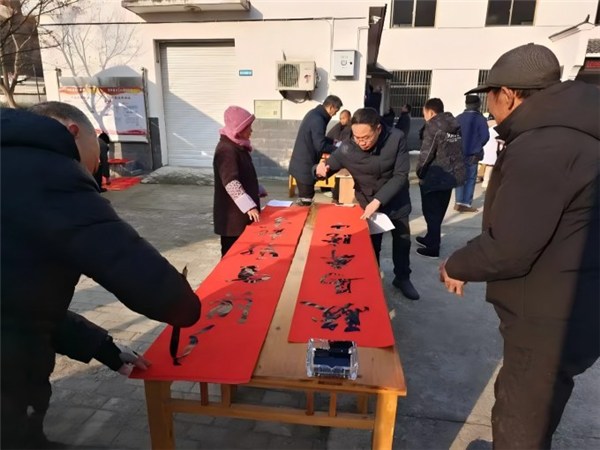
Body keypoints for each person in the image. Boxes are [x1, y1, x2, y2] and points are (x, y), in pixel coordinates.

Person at [1, 102, 201, 449]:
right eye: (93, 162)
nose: (93, 172)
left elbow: (18, 300)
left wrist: (100, 346)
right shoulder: (50, 173)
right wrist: (184, 305)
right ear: (72, 132)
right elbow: (135, 269)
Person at [439, 43, 599, 449]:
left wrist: (456, 264)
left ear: (508, 94)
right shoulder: (575, 131)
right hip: (572, 301)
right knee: (534, 409)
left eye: (490, 96)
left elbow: (510, 247)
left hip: (550, 315)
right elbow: (530, 225)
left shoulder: (545, 146)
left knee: (520, 421)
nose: (490, 108)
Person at [316, 107, 419, 301]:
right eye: (357, 137)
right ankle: (371, 279)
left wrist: (379, 200)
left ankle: (402, 278)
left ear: (378, 129)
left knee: (402, 241)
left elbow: (400, 175)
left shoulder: (396, 138)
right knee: (371, 245)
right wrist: (320, 169)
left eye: (366, 137)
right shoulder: (348, 146)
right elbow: (330, 166)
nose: (361, 142)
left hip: (395, 200)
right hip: (367, 202)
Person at [415, 98, 465, 258]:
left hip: (434, 176)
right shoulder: (454, 125)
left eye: (424, 113)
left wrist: (419, 171)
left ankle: (433, 248)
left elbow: (427, 153)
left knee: (431, 213)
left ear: (430, 112)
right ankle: (430, 238)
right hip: (450, 175)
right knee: (439, 211)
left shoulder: (433, 126)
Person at [213, 105, 266, 257]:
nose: (251, 131)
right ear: (239, 129)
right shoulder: (226, 150)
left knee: (244, 256)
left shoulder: (238, 146)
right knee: (232, 256)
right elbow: (231, 183)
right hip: (232, 221)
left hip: (239, 217)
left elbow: (243, 175)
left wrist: (256, 189)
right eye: (248, 127)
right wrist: (249, 206)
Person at [288, 95, 342, 205]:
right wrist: (338, 150)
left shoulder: (314, 114)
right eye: (335, 111)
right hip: (305, 167)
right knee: (306, 200)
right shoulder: (319, 120)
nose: (334, 114)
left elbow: (318, 138)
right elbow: (320, 145)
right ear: (331, 107)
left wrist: (333, 142)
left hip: (301, 164)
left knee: (305, 198)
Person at [454, 95, 490, 212]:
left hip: (459, 153)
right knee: (470, 178)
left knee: (460, 177)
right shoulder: (480, 119)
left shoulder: (458, 118)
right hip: (473, 153)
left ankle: (458, 202)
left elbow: (452, 135)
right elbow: (485, 137)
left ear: (466, 104)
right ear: (478, 105)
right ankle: (465, 203)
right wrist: (477, 145)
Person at [480, 114, 499, 190]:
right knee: (490, 165)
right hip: (493, 146)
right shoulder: (497, 125)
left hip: (484, 145)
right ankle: (485, 181)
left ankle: (477, 177)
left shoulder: (485, 124)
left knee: (481, 162)